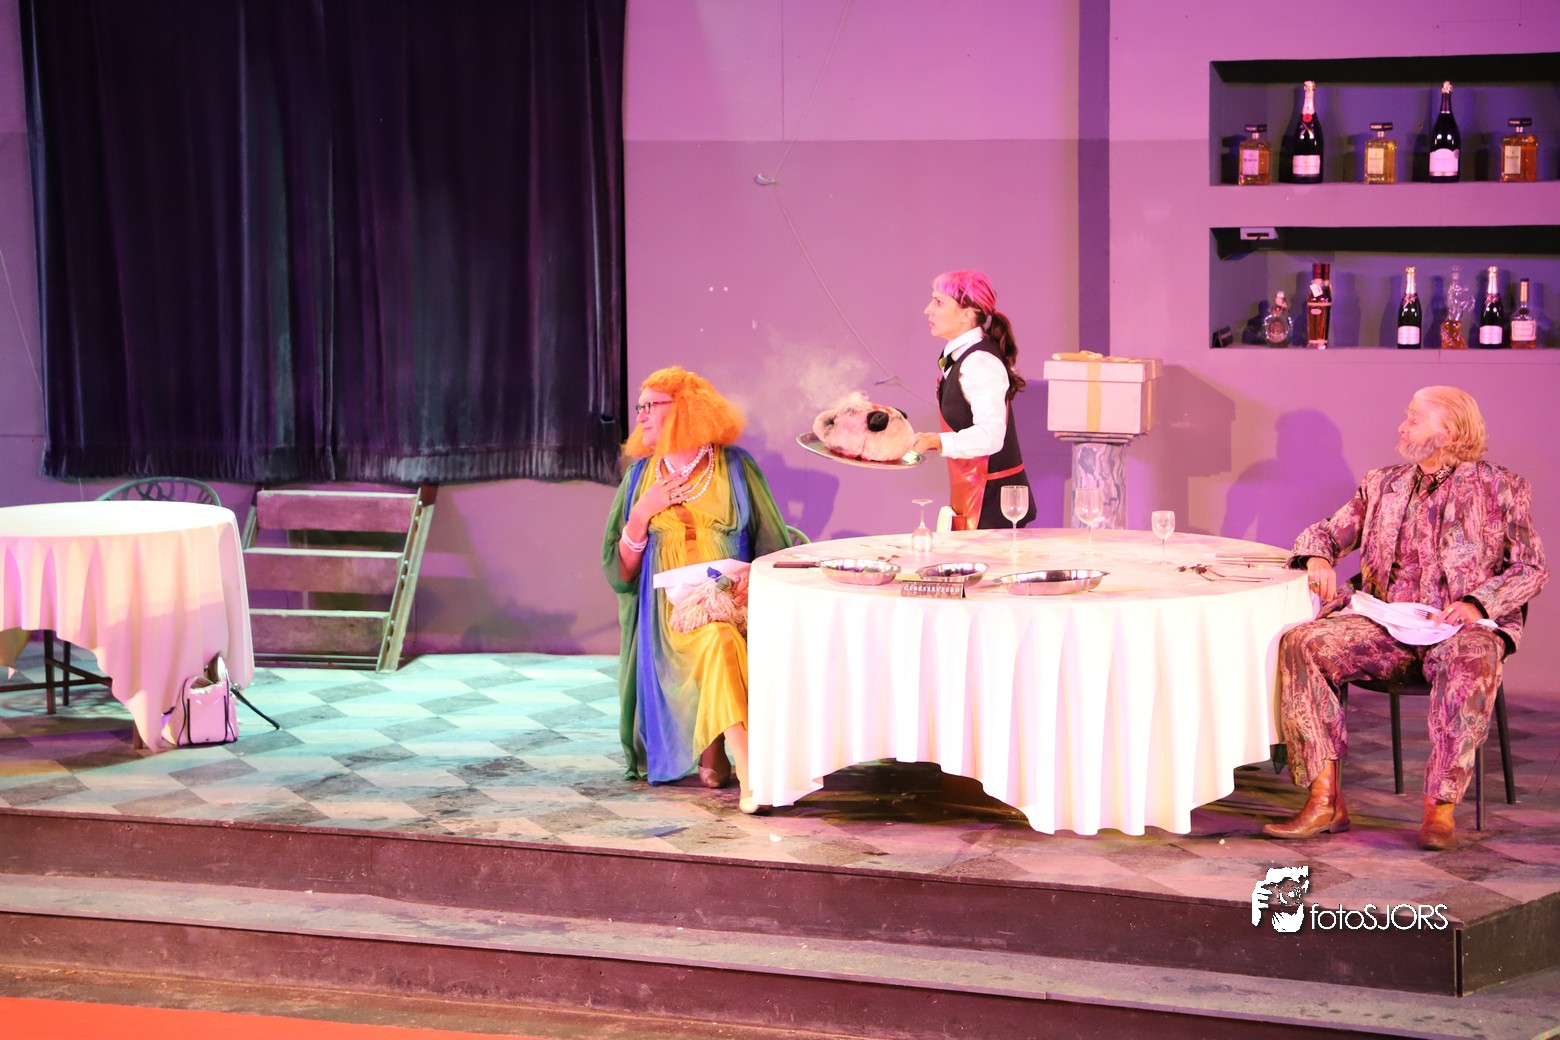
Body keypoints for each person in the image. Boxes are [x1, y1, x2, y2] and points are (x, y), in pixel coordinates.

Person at [1264, 386, 1546, 850]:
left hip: (1458, 629)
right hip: (1386, 625)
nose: (1402, 426)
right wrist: (1317, 557)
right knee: (1304, 643)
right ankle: (1324, 800)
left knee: (1472, 659)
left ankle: (1440, 809)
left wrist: (1478, 604)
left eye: (1414, 419)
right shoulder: (1382, 484)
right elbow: (1327, 532)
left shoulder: (1501, 488)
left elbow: (1530, 567)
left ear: (1448, 432)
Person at [602, 366, 797, 814]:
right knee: (713, 638)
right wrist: (641, 514)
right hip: (670, 619)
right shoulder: (640, 477)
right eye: (639, 407)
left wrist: (749, 579)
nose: (641, 415)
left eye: (651, 405)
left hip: (733, 605)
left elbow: (773, 546)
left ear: (686, 409)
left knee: (722, 634)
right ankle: (748, 770)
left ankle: (726, 756)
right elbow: (621, 572)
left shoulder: (735, 467)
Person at [909, 270, 1036, 530]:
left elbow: (991, 436)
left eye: (939, 302)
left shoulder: (979, 362)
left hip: (993, 509)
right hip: (974, 498)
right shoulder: (961, 359)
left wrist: (937, 441)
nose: (927, 310)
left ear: (966, 314)